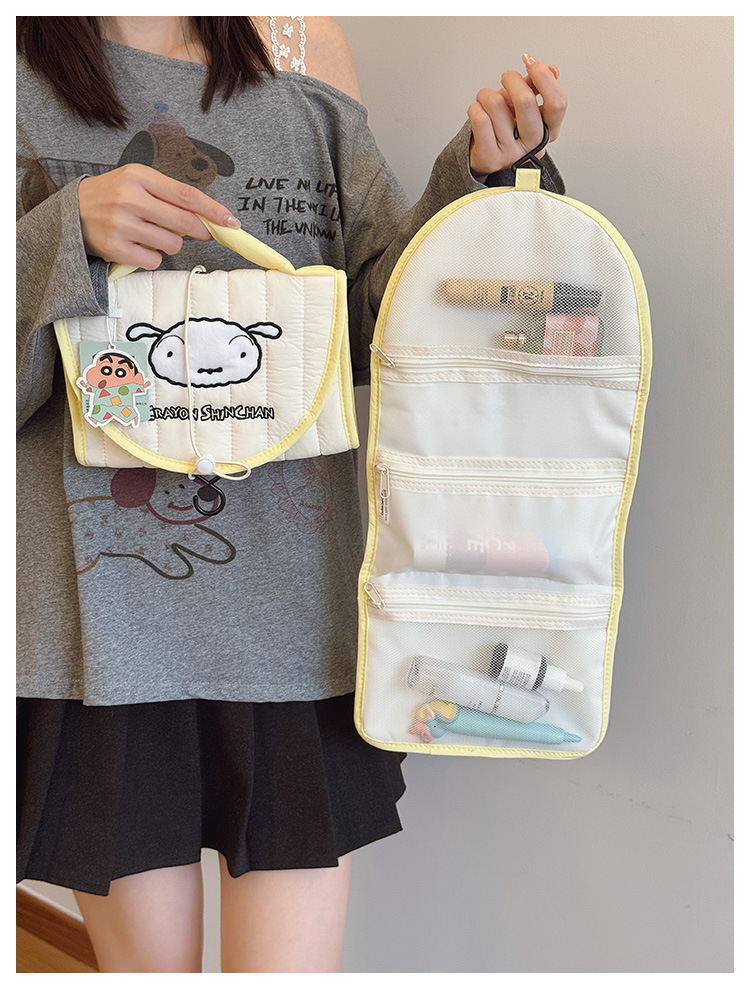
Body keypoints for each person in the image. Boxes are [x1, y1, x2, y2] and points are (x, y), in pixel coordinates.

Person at [16, 16, 567, 973]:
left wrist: (478, 180)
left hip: (293, 619)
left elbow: (378, 316)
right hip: (99, 634)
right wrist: (66, 231)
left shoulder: (302, 46)